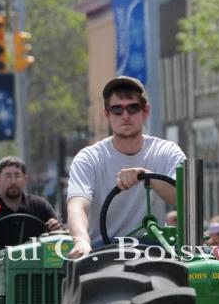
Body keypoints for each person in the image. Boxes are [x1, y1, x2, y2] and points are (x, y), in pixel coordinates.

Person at [67, 76, 185, 258]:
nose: (125, 116)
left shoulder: (167, 151)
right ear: (107, 114)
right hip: (103, 249)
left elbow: (182, 198)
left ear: (146, 111)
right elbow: (77, 206)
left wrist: (147, 177)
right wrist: (82, 240)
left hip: (154, 250)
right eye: (117, 110)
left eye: (133, 108)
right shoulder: (89, 158)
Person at [0, 156, 61, 248]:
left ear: (25, 180)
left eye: (17, 175)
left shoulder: (40, 206)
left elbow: (59, 239)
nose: (13, 181)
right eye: (8, 176)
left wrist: (56, 228)